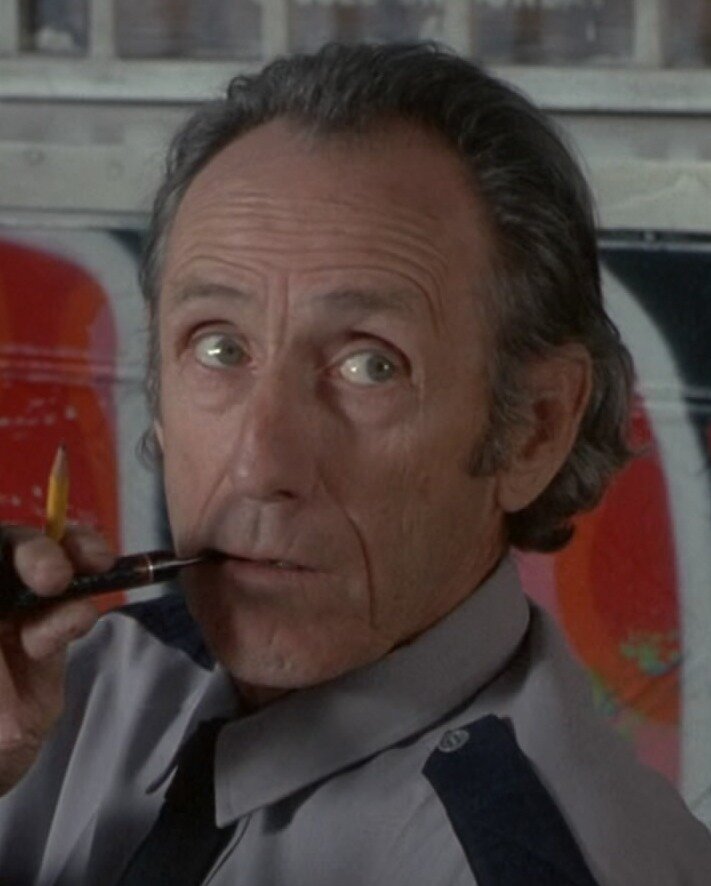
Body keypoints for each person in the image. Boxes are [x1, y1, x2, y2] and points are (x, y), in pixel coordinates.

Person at [0, 42, 709, 886]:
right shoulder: (87, 687)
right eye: (219, 347)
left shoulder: (515, 860)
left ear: (534, 428)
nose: (260, 464)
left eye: (370, 365)